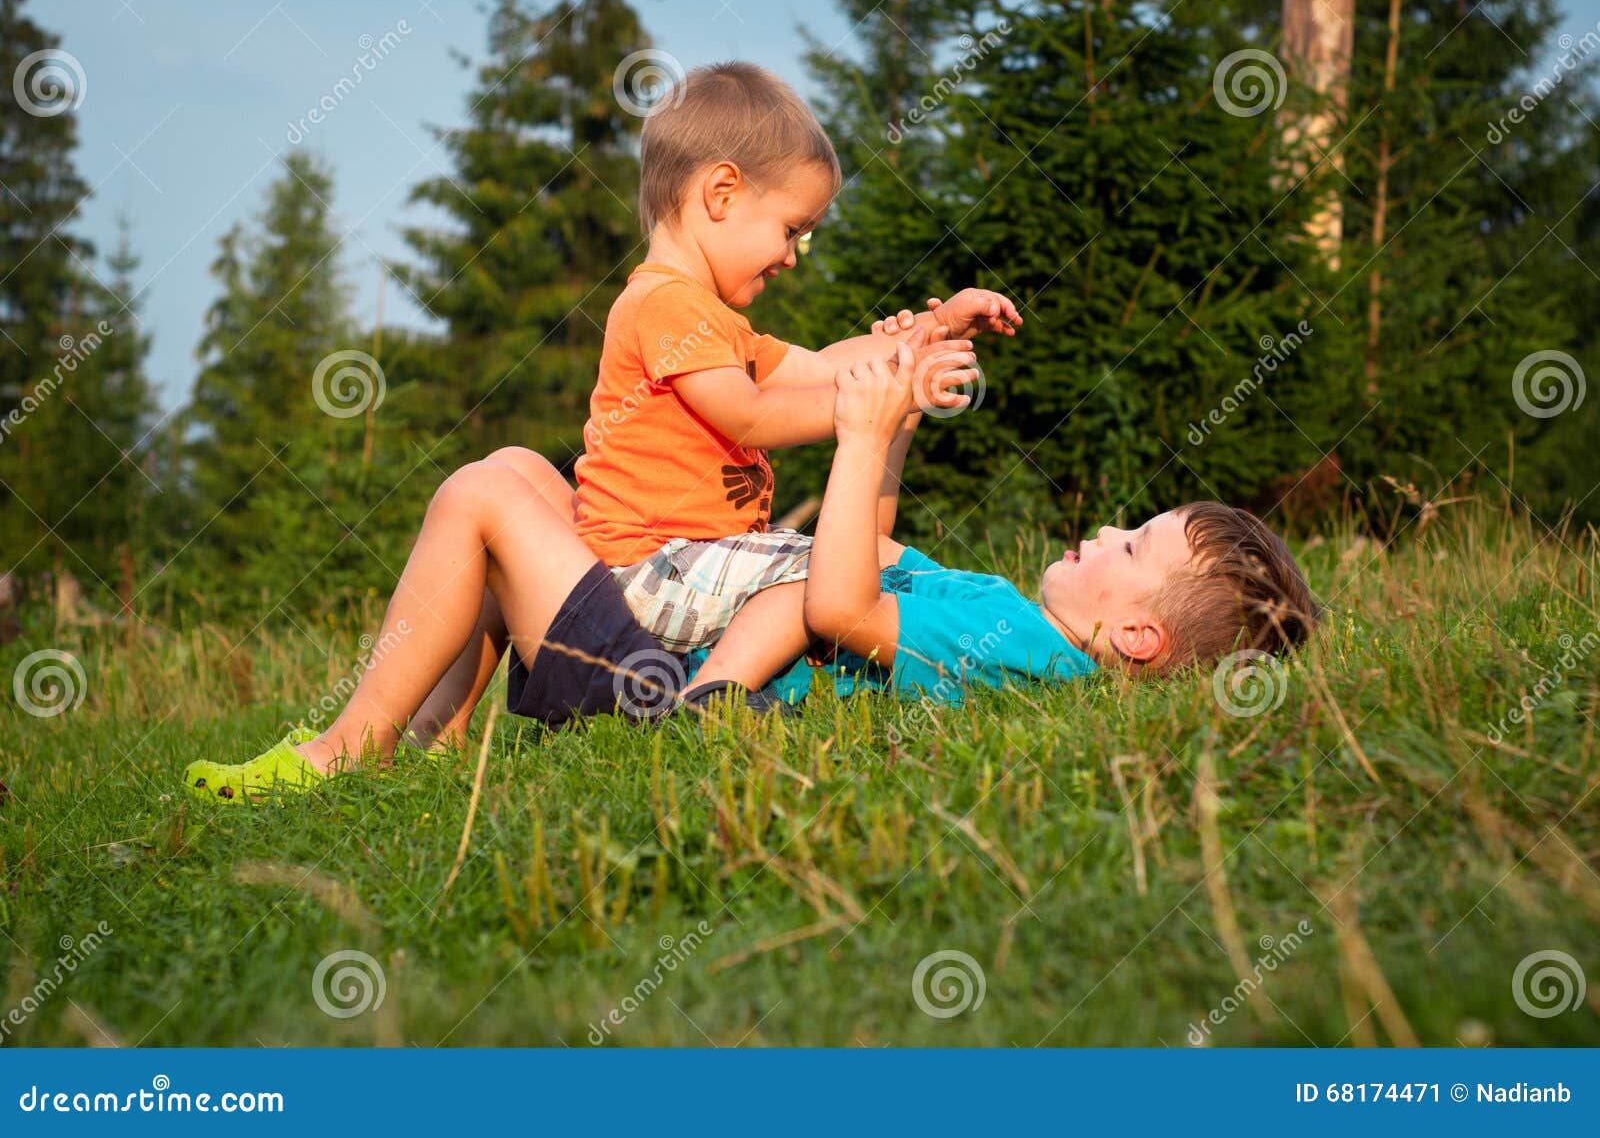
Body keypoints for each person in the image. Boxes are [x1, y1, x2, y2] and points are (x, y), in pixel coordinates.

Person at [183, 344, 1317, 804]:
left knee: (479, 495)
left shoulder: (1024, 650)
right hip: (670, 672)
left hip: (659, 692)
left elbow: (828, 604)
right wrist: (897, 426)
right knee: (523, 469)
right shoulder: (1005, 624)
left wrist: (861, 435)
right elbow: (865, 561)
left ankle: (342, 755)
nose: (1103, 533)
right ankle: (407, 753)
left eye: (1130, 549)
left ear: (1134, 638)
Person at [574, 59, 1021, 702]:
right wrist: (880, 400)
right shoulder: (665, 306)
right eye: (790, 231)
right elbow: (751, 416)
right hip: (647, 570)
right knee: (828, 571)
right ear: (721, 193)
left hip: (691, 564)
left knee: (830, 566)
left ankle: (727, 685)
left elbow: (823, 363)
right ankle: (714, 697)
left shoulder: (712, 320)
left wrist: (930, 333)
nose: (790, 256)